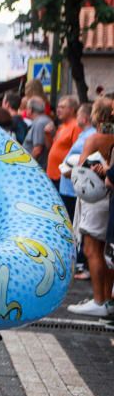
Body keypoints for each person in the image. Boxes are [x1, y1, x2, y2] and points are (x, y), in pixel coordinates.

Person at [67, 97, 114, 317]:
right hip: (109, 199)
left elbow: (79, 170)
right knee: (106, 253)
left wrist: (69, 170)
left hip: (95, 199)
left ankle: (99, 299)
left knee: (92, 250)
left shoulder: (95, 138)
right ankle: (107, 298)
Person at [61, 103, 95, 280]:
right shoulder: (84, 134)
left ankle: (80, 263)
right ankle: (76, 260)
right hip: (70, 186)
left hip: (77, 188)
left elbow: (83, 162)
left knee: (80, 227)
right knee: (73, 225)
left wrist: (70, 170)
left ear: (85, 117)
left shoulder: (92, 136)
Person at [46, 96, 81, 193]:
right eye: (58, 107)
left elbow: (77, 154)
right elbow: (52, 148)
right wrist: (47, 135)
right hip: (53, 176)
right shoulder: (62, 126)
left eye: (62, 107)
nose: (58, 110)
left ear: (72, 110)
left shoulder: (76, 126)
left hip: (62, 178)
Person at [22, 95, 52, 168]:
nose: (26, 110)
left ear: (30, 109)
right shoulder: (43, 120)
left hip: (38, 167)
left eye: (27, 108)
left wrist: (27, 165)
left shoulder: (40, 123)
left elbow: (37, 149)